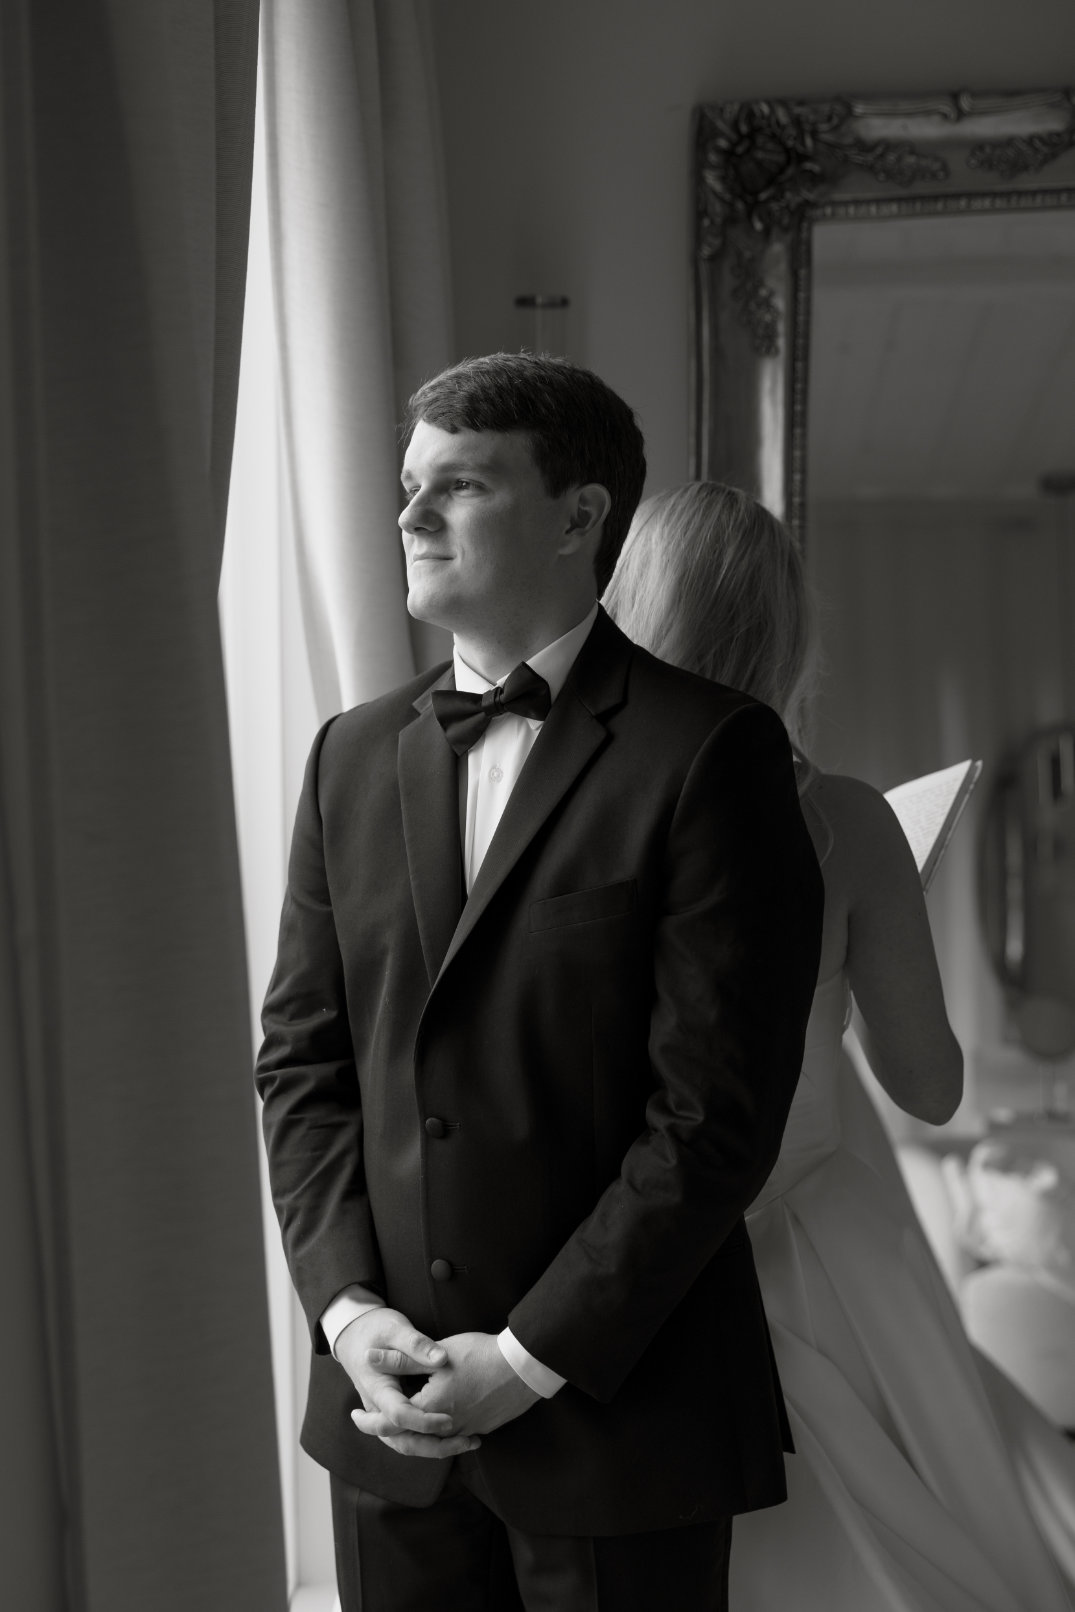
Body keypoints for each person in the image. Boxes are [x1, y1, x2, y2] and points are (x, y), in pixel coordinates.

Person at [255, 357, 823, 1611]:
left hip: (622, 1421)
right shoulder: (347, 755)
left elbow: (711, 1118)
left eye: (458, 485)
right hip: (388, 1423)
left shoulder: (711, 751)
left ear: (579, 517)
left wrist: (524, 1359)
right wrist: (347, 1314)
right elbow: (301, 1064)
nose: (409, 515)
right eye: (408, 485)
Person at [604, 479, 1075, 1612]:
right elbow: (929, 1088)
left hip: (622, 1252)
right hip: (812, 1253)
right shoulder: (846, 822)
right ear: (787, 639)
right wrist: (864, 951)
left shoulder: (569, 816)